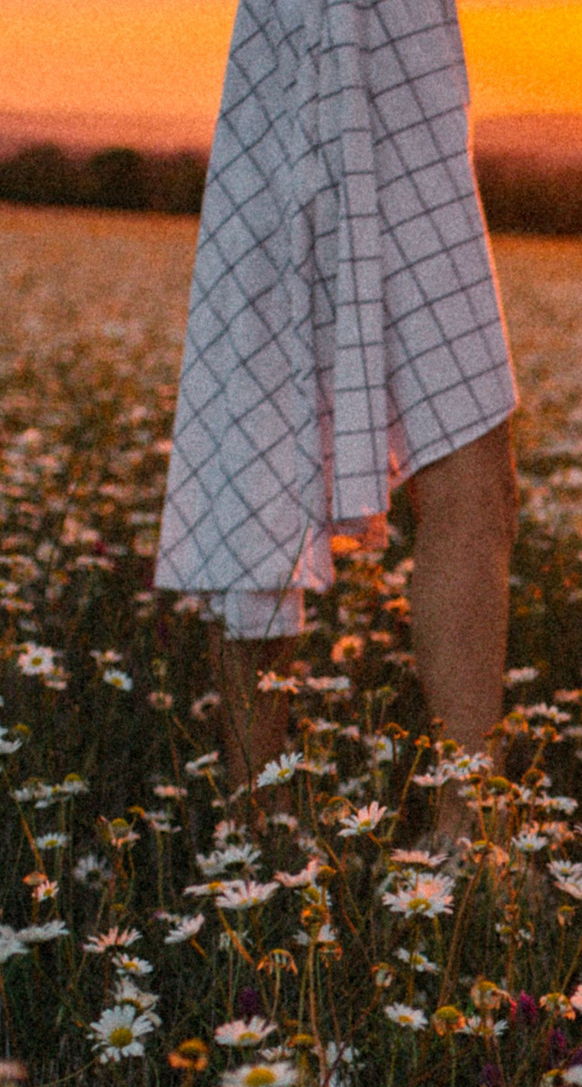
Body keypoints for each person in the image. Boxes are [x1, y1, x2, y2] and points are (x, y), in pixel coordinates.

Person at [157, 0, 519, 833]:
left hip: (402, 49)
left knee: (471, 455)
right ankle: (260, 825)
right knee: (262, 410)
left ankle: (470, 832)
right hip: (314, 35)